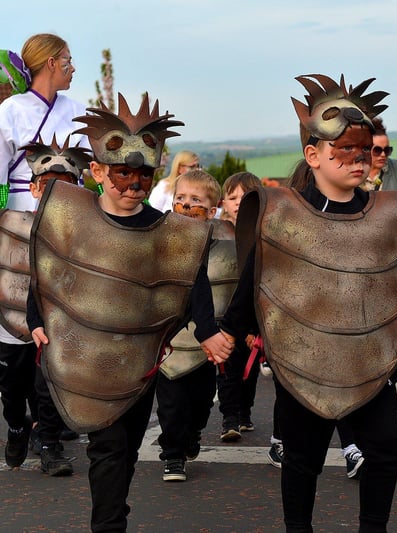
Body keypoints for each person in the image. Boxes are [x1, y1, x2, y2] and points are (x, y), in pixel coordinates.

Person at [220, 73, 397, 532]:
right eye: (344, 151)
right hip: (301, 361)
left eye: (364, 152)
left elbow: (395, 289)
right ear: (313, 155)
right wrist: (224, 331)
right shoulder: (282, 213)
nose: (358, 161)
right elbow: (256, 280)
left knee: (385, 446)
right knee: (303, 458)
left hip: (367, 361)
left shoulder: (386, 215)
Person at [26, 92, 232, 532]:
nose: (134, 183)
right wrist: (36, 319)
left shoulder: (168, 230)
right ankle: (110, 523)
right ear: (99, 171)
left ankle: (115, 509)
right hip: (85, 359)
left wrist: (209, 329)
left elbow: (189, 280)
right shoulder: (68, 216)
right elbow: (45, 268)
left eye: (144, 173)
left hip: (138, 364)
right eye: (123, 172)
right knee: (109, 449)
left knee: (127, 448)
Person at [0, 135, 90, 475]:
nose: (56, 193)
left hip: (54, 325)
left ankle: (49, 445)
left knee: (48, 385)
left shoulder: (83, 233)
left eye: (65, 186)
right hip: (10, 323)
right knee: (11, 389)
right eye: (48, 185)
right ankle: (17, 427)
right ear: (35, 189)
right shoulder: (10, 223)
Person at [156, 169, 235, 482]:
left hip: (205, 343)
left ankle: (193, 434)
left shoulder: (223, 245)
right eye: (180, 199)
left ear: (211, 211)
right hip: (170, 342)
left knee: (202, 400)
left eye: (195, 200)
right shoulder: (160, 239)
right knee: (171, 405)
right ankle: (173, 455)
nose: (186, 206)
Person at [0, 33, 88, 212]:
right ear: (51, 63)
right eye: (68, 61)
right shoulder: (10, 109)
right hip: (22, 211)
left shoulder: (80, 111)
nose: (73, 68)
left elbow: (101, 169)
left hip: (74, 210)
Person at [215, 171, 265, 441]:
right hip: (224, 315)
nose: (238, 202)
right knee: (227, 369)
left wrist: (255, 325)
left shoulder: (262, 234)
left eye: (245, 197)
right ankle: (229, 417)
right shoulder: (217, 234)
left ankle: (244, 412)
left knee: (250, 369)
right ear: (223, 203)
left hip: (252, 317)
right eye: (232, 197)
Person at [361, 117, 397, 192]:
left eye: (387, 150)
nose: (383, 154)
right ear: (365, 150)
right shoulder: (353, 170)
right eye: (377, 150)